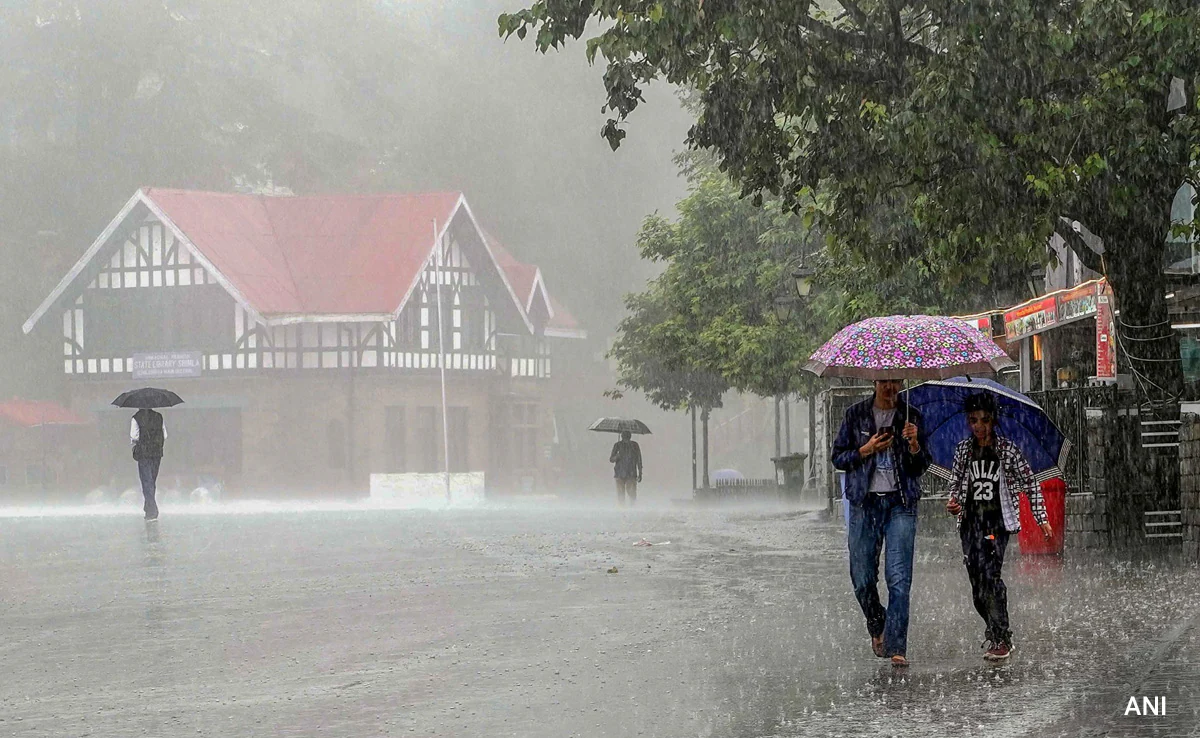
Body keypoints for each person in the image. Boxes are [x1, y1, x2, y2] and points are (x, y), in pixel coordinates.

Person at [832, 378, 931, 667]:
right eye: (884, 382)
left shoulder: (912, 415)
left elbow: (922, 464)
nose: (889, 388)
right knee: (862, 577)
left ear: (901, 382)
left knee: (899, 578)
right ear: (875, 382)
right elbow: (838, 457)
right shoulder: (856, 414)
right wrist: (866, 449)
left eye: (894, 382)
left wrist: (914, 444)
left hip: (901, 503)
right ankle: (878, 624)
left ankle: (897, 645)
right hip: (865, 503)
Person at [946, 392, 1052, 661]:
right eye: (973, 421)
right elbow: (955, 485)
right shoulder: (963, 450)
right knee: (976, 584)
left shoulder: (1007, 451)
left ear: (992, 421)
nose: (978, 426)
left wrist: (1042, 519)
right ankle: (993, 628)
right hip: (970, 524)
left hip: (996, 523)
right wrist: (954, 502)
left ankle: (1001, 636)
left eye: (983, 420)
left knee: (990, 576)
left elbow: (1030, 483)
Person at [131, 408, 168, 521]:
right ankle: (148, 507)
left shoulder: (136, 417)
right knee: (152, 480)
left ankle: (152, 511)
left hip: (143, 453)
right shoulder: (159, 416)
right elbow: (165, 435)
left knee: (146, 481)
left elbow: (134, 436)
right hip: (156, 452)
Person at [609, 431, 643, 506]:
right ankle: (622, 509)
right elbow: (611, 459)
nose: (626, 438)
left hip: (630, 473)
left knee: (631, 493)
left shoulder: (634, 445)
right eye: (625, 436)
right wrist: (617, 457)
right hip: (620, 473)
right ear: (622, 436)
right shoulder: (617, 445)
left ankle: (632, 507)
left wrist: (640, 472)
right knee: (621, 495)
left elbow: (639, 459)